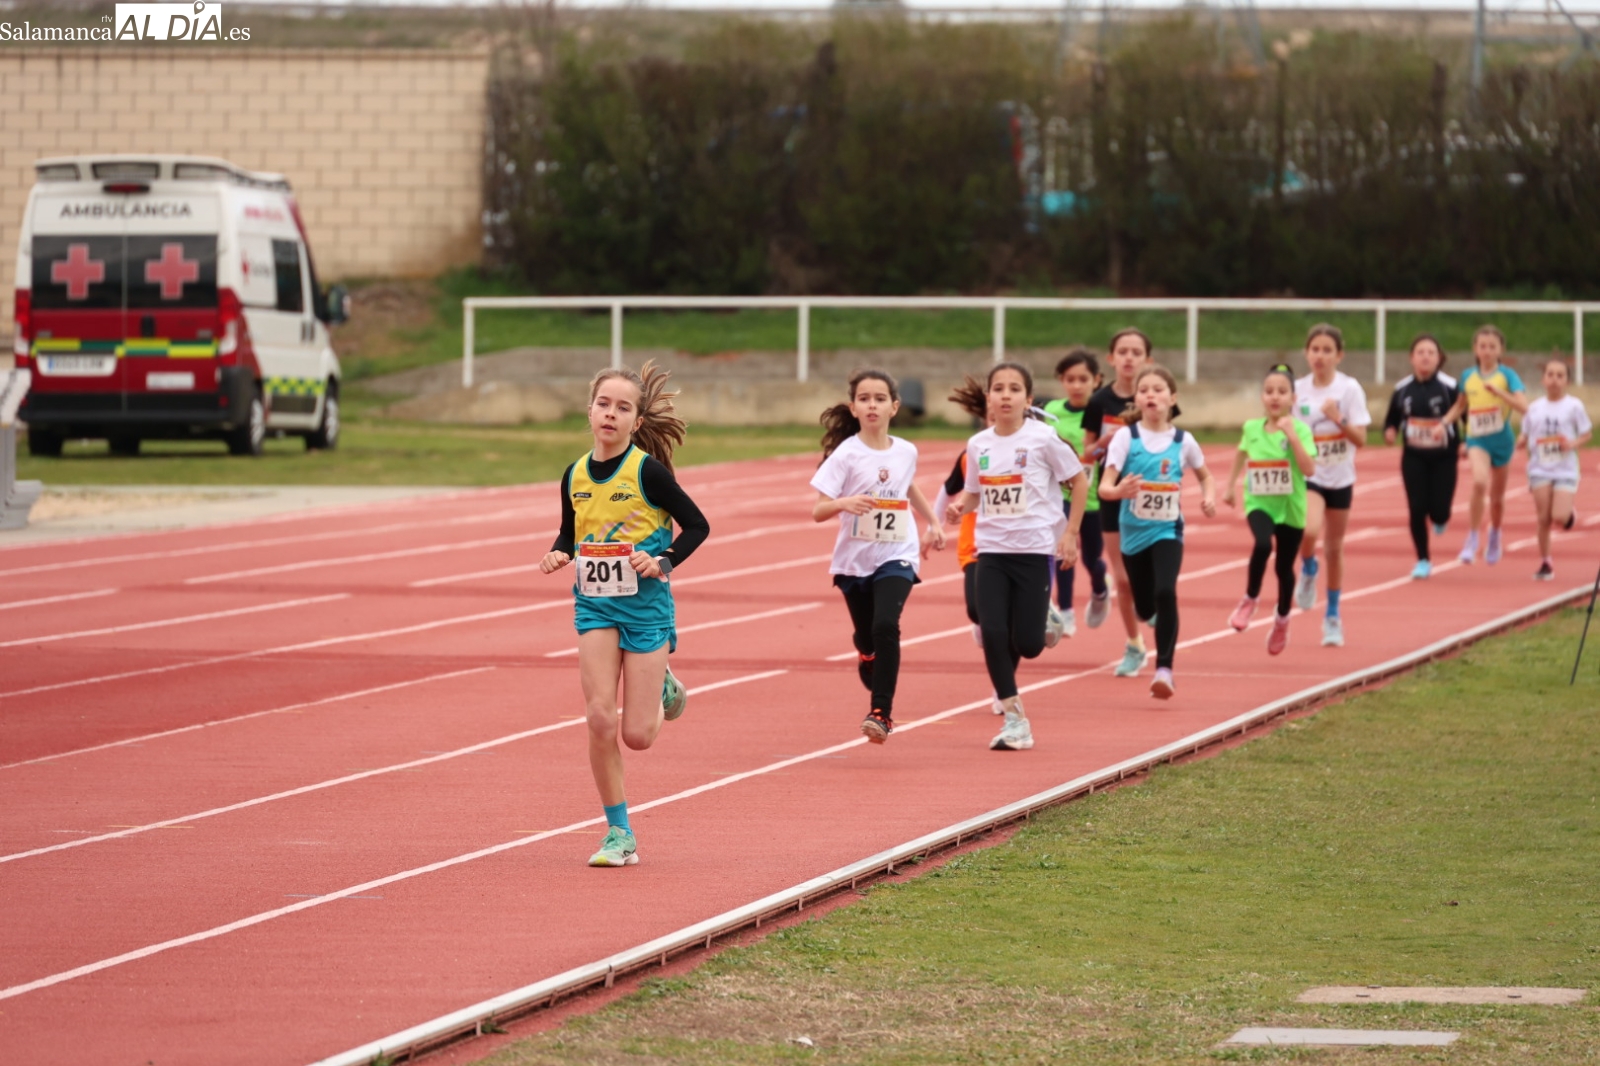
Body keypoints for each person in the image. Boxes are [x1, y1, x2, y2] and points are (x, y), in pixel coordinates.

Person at [539, 361, 710, 869]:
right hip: (594, 606)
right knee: (598, 717)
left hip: (646, 610)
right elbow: (570, 530)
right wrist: (559, 552)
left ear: (637, 421)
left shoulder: (648, 473)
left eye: (622, 407)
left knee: (638, 736)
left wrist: (662, 561)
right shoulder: (574, 474)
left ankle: (662, 687)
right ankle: (619, 833)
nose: (610, 414)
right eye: (603, 404)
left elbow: (697, 526)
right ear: (590, 410)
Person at [944, 363, 1088, 751]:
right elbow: (974, 492)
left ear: (1028, 399)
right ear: (988, 398)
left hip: (1033, 550)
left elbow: (1078, 481)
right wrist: (960, 507)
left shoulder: (1043, 438)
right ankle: (1014, 719)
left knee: (1028, 644)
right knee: (991, 630)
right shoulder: (979, 444)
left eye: (1014, 389)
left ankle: (1043, 616)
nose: (1006, 395)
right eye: (998, 389)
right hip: (991, 550)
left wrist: (1070, 534)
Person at [812, 369, 945, 743]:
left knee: (886, 625)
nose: (873, 405)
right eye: (865, 398)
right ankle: (867, 653)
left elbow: (908, 486)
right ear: (853, 407)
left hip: (897, 553)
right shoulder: (846, 454)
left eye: (880, 398)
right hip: (854, 561)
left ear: (894, 407)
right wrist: (844, 503)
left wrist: (933, 521)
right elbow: (818, 510)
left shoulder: (906, 451)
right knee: (867, 635)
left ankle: (881, 713)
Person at [1099, 365, 1217, 698]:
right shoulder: (1126, 437)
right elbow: (1104, 487)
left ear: (1172, 398)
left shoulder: (1183, 441)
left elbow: (1206, 476)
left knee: (1166, 591)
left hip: (1167, 530)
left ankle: (1165, 669)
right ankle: (1146, 612)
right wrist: (1119, 490)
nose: (1150, 395)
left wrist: (1208, 497)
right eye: (1144, 390)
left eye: (1158, 389)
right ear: (1136, 399)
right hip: (1132, 534)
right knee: (1145, 607)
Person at [1221, 364, 1317, 653]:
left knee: (1283, 568)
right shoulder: (1251, 428)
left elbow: (1309, 469)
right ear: (1262, 396)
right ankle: (1250, 599)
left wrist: (1293, 437)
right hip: (1259, 502)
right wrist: (1230, 486)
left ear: (1293, 398)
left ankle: (1282, 619)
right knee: (1262, 544)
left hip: (1290, 508)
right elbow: (1241, 453)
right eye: (1269, 391)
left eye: (1282, 392)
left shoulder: (1301, 430)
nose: (1275, 397)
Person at [1293, 323, 1370, 647]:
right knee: (1309, 531)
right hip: (1310, 476)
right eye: (1315, 349)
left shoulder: (1349, 389)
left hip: (1340, 477)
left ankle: (1333, 616)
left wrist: (1338, 417)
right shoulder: (1297, 390)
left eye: (1327, 350)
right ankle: (1309, 567)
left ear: (1339, 355)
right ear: (1306, 353)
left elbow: (1361, 439)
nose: (1320, 356)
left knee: (1335, 548)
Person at [1088, 328, 1159, 677]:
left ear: (1148, 359)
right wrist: (1107, 441)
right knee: (1122, 577)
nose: (1129, 358)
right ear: (1111, 358)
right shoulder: (1100, 401)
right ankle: (1134, 643)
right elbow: (1088, 453)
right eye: (1123, 351)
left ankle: (1153, 606)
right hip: (1113, 494)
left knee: (1149, 570)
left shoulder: (1157, 396)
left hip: (1151, 495)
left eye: (1136, 352)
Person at [1383, 334, 1465, 579]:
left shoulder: (1450, 387)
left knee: (1440, 511)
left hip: (1444, 456)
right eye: (1420, 352)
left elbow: (1465, 415)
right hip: (1413, 456)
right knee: (1416, 508)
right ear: (1412, 358)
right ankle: (1423, 559)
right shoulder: (1402, 389)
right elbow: (1392, 419)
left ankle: (1441, 518)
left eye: (1431, 352)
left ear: (1439, 358)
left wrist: (1466, 442)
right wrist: (1390, 431)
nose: (1425, 357)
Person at [1043, 348, 1109, 639]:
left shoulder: (1103, 413)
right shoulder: (1051, 412)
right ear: (1061, 380)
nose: (1077, 386)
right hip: (1062, 497)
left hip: (1094, 498)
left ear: (1097, 380)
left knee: (1092, 560)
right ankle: (1066, 611)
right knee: (1064, 552)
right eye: (1070, 379)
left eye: (1083, 379)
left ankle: (1100, 587)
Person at [1458, 325, 1529, 566]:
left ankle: (1495, 534)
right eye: (1482, 346)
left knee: (1497, 498)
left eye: (1492, 347)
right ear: (1475, 349)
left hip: (1502, 441)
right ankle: (1472, 537)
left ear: (1501, 350)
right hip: (1476, 439)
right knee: (1479, 482)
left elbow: (1523, 407)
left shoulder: (1508, 376)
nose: (1487, 351)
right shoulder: (1467, 376)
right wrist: (1449, 427)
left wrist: (1500, 393)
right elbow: (1461, 406)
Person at [1521, 356, 1591, 580]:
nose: (1554, 380)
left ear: (1567, 381)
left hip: (1565, 469)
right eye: (1550, 375)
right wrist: (1520, 442)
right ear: (1543, 379)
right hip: (1539, 468)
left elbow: (1586, 434)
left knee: (1558, 516)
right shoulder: (1534, 408)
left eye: (1560, 376)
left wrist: (1572, 444)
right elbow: (1525, 433)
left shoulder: (1574, 406)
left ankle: (1568, 515)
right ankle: (1546, 562)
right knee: (1543, 518)